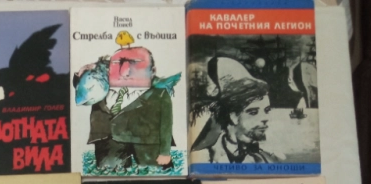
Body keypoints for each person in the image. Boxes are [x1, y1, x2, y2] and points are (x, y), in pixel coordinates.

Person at [75, 38, 179, 172]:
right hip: (109, 144)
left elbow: (166, 125)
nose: (125, 71)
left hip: (147, 145)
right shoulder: (102, 86)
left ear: (152, 71)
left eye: (135, 64)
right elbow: (82, 89)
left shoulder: (159, 94)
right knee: (107, 172)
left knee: (153, 171)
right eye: (118, 64)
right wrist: (84, 72)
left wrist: (164, 152)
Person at [191, 57, 280, 164]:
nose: (265, 118)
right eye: (253, 112)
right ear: (233, 116)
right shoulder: (204, 158)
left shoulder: (269, 158)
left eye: (267, 110)